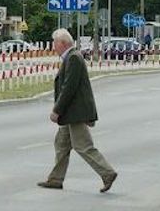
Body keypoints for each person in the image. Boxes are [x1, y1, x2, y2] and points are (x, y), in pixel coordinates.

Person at [37, 28, 118, 194]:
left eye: (55, 43)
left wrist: (57, 110)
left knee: (83, 146)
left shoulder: (74, 58)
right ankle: (55, 179)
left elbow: (69, 88)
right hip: (71, 113)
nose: (54, 47)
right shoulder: (71, 57)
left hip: (75, 113)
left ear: (63, 43)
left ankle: (107, 173)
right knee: (61, 144)